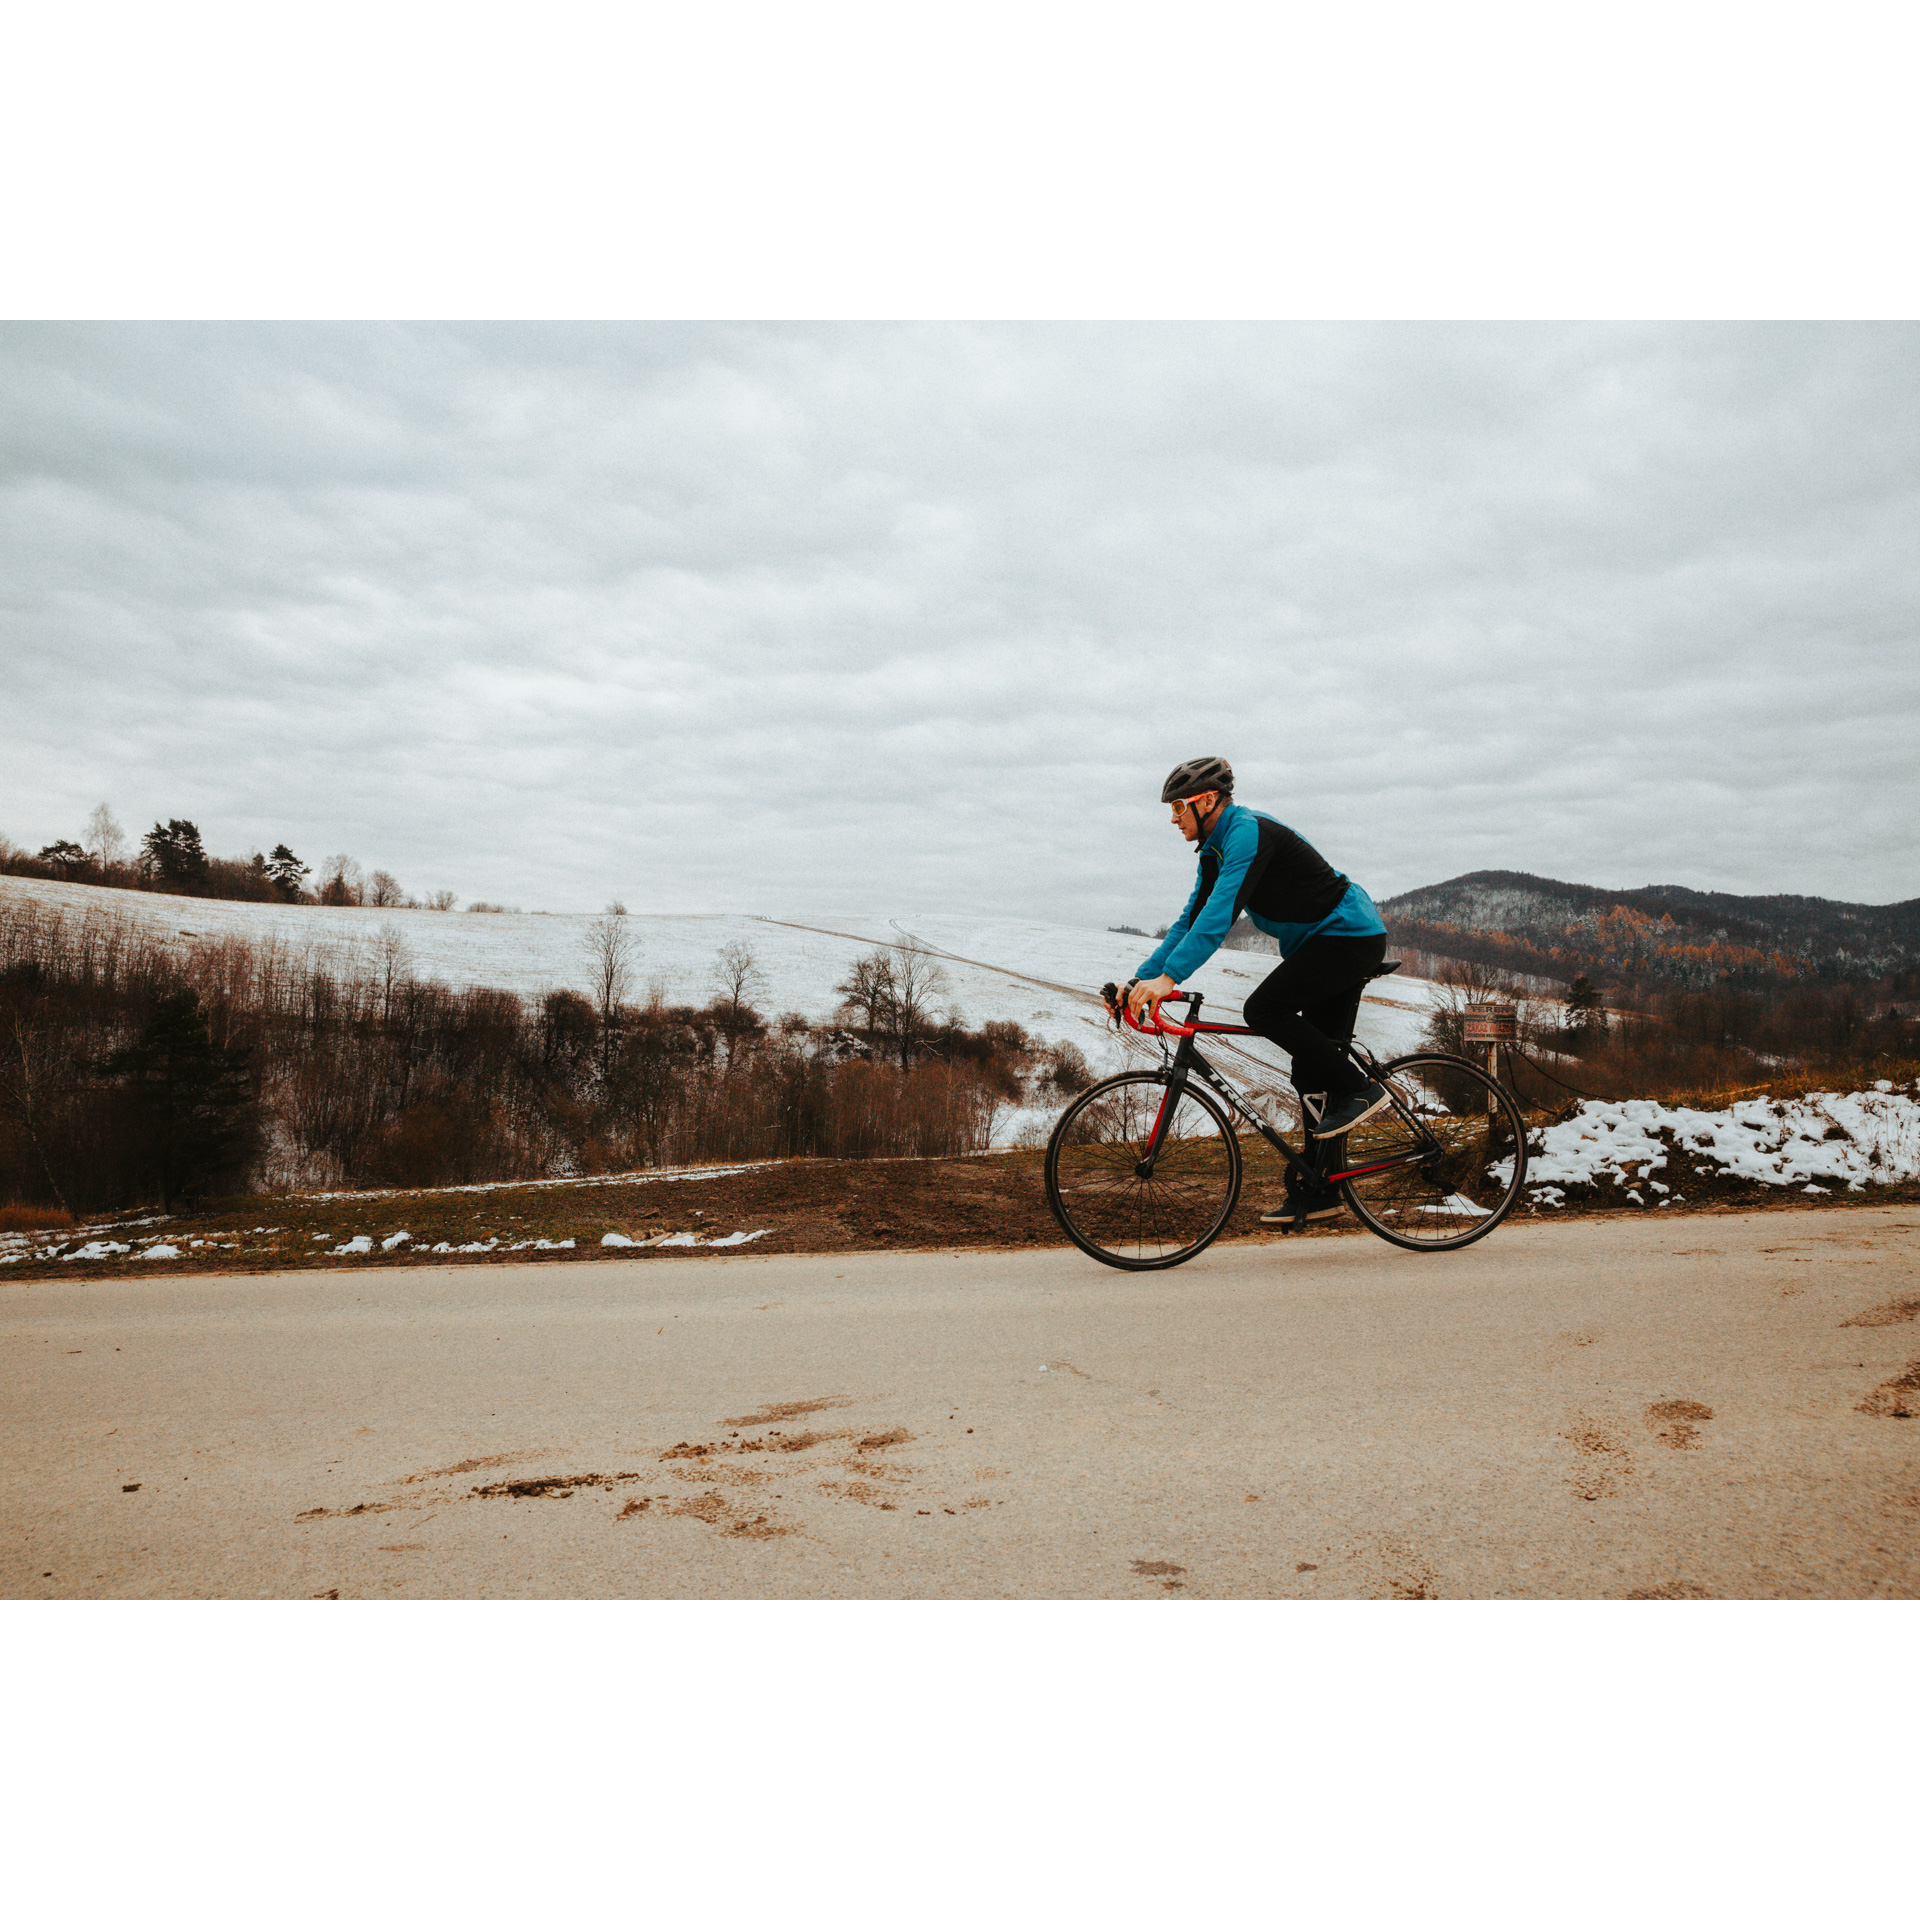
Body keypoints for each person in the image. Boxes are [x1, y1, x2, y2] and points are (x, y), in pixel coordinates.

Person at [1122, 756, 1390, 1230]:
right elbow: (1188, 921)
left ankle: (1361, 1090)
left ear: (1207, 801)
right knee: (1309, 1069)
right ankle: (1322, 1188)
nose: (1173, 817)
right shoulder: (1214, 850)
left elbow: (1220, 914)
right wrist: (1139, 979)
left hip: (1350, 936)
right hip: (1319, 944)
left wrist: (1171, 979)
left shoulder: (1246, 832)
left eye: (1179, 805)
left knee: (1264, 1009)